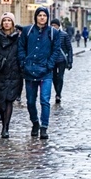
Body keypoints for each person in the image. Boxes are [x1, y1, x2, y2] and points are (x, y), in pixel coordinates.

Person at [18, 7, 61, 140]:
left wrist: (49, 65)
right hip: (30, 71)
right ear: (35, 17)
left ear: (47, 18)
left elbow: (56, 50)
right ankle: (35, 123)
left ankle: (44, 127)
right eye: (39, 15)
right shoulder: (27, 31)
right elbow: (21, 48)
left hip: (46, 72)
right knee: (30, 101)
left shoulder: (53, 32)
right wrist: (23, 63)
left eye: (44, 15)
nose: (42, 17)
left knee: (44, 100)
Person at [0, 12, 22, 138]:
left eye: (9, 20)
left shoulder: (18, 38)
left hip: (14, 74)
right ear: (1, 23)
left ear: (13, 23)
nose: (7, 22)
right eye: (4, 20)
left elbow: (22, 53)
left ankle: (5, 127)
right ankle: (4, 122)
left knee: (9, 101)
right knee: (1, 102)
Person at [50, 18, 73, 104]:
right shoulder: (49, 35)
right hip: (52, 59)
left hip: (61, 59)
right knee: (54, 77)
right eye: (52, 25)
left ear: (58, 26)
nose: (53, 27)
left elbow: (69, 48)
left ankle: (58, 94)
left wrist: (70, 61)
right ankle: (57, 92)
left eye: (55, 25)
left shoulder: (64, 35)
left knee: (60, 77)